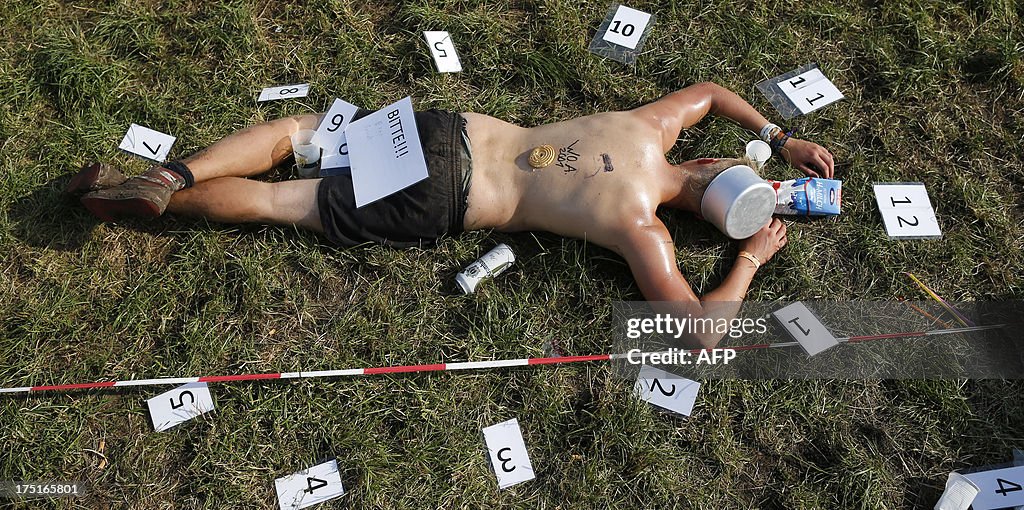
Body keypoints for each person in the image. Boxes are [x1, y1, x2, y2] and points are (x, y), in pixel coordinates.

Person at [70, 82, 834, 348]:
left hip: (452, 132)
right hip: (457, 198)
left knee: (294, 136)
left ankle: (168, 173)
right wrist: (749, 262)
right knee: (280, 203)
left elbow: (707, 91)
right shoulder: (643, 229)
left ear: (708, 163)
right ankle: (153, 208)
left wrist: (779, 135)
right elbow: (701, 333)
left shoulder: (649, 127)